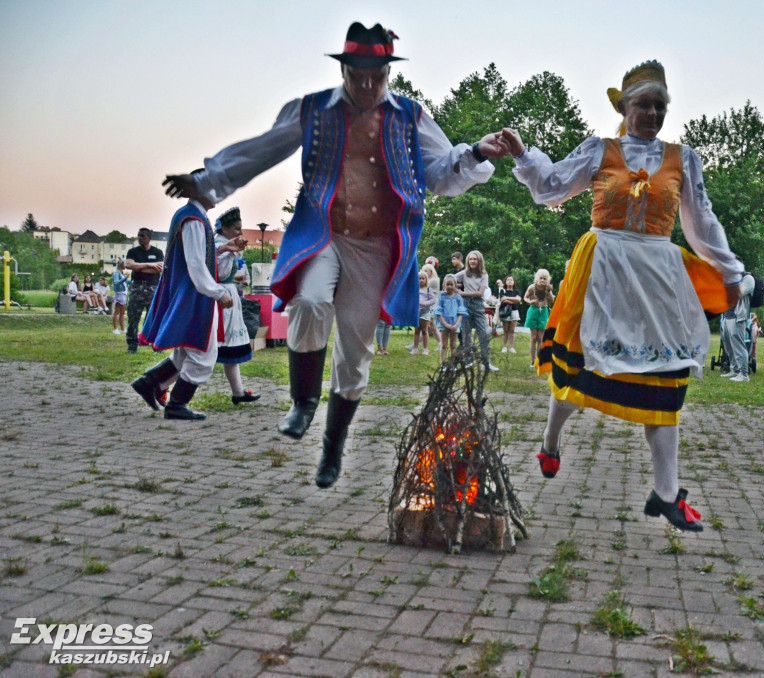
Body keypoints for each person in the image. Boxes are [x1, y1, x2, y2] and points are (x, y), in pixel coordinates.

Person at [161, 21, 503, 489]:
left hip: (378, 245)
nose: (366, 85)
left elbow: (441, 173)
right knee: (309, 301)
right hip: (324, 234)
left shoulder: (410, 116)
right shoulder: (313, 110)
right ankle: (303, 404)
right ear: (343, 69)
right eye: (357, 75)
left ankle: (333, 446)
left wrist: (477, 153)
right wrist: (206, 181)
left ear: (388, 72)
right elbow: (261, 150)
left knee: (356, 350)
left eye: (375, 76)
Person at [497, 60, 745, 533]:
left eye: (659, 106)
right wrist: (525, 155)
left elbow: (702, 222)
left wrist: (729, 270)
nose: (651, 113)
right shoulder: (600, 150)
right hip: (603, 269)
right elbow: (552, 188)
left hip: (656, 273)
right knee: (584, 368)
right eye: (643, 105)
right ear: (625, 108)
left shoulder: (682, 159)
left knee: (665, 378)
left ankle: (666, 494)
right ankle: (551, 442)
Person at [132, 185, 237, 420]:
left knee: (185, 352)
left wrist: (222, 248)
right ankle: (177, 404)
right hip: (194, 296)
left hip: (187, 293)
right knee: (203, 352)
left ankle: (149, 383)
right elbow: (196, 264)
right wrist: (218, 292)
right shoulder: (194, 220)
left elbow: (195, 254)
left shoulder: (190, 216)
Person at [213, 207, 260, 405]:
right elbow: (221, 274)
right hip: (220, 298)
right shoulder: (218, 245)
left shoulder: (225, 245)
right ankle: (167, 387)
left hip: (229, 296)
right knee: (209, 348)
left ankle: (238, 392)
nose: (240, 233)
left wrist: (238, 279)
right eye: (236, 229)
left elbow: (229, 276)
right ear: (224, 229)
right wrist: (231, 253)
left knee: (229, 347)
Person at [124, 228, 165, 353]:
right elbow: (129, 265)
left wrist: (140, 267)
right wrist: (149, 265)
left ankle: (155, 344)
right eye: (138, 236)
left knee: (153, 317)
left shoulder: (157, 252)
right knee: (133, 317)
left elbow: (160, 268)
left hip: (153, 287)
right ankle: (132, 345)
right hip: (137, 287)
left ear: (149, 238)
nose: (140, 238)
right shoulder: (133, 251)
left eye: (143, 236)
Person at [456, 250, 497, 371]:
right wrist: (456, 289)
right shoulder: (463, 274)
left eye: (475, 259)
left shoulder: (484, 275)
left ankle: (486, 363)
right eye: (470, 259)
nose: (472, 261)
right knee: (466, 335)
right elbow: (449, 281)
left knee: (483, 334)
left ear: (479, 260)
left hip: (478, 305)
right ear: (468, 261)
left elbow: (480, 293)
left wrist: (463, 293)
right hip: (465, 305)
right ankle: (468, 362)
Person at [720, 271, 756, 382]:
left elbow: (739, 292)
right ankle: (735, 370)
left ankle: (744, 374)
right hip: (727, 316)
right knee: (728, 345)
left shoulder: (748, 278)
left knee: (738, 345)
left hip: (737, 317)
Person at [523, 269, 555, 365]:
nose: (542, 280)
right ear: (537, 278)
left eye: (544, 278)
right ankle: (532, 361)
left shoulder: (548, 288)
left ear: (547, 280)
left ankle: (539, 359)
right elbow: (525, 297)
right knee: (533, 337)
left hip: (544, 311)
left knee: (540, 337)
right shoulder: (532, 287)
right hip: (533, 310)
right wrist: (531, 302)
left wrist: (549, 291)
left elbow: (552, 301)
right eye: (541, 278)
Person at [435, 274, 467, 362]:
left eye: (451, 284)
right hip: (444, 323)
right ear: (444, 285)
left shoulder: (458, 297)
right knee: (444, 345)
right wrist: (445, 324)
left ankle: (452, 364)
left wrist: (456, 324)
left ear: (455, 285)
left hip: (455, 323)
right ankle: (443, 363)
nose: (449, 286)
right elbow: (438, 312)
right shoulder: (442, 296)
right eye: (447, 284)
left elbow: (461, 312)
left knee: (453, 345)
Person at [411, 270, 437, 354]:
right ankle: (415, 348)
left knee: (425, 331)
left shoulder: (429, 290)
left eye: (423, 278)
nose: (421, 280)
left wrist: (425, 303)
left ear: (426, 280)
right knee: (416, 331)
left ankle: (425, 349)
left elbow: (433, 300)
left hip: (425, 312)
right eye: (419, 278)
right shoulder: (415, 289)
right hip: (416, 312)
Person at [498, 275, 522, 353]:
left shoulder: (517, 291)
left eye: (511, 280)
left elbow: (518, 299)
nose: (510, 281)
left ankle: (512, 347)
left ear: (514, 282)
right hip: (505, 311)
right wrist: (513, 300)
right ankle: (504, 347)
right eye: (508, 280)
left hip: (514, 311)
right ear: (505, 282)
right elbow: (503, 300)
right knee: (505, 330)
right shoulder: (502, 291)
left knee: (512, 330)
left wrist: (507, 298)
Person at [111, 261, 129, 334]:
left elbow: (127, 282)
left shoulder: (122, 273)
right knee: (117, 312)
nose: (126, 265)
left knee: (122, 312)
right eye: (125, 264)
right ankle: (115, 329)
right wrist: (124, 279)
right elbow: (116, 283)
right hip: (119, 294)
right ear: (121, 265)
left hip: (123, 294)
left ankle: (122, 329)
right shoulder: (116, 273)